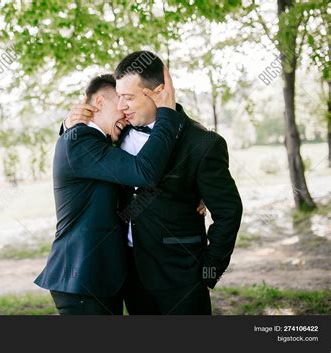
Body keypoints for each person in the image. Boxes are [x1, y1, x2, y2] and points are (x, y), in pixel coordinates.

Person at [66, 51, 243, 314]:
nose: (121, 106)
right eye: (119, 97)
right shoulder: (118, 132)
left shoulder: (203, 143)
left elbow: (229, 212)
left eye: (128, 98)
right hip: (130, 278)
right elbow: (84, 151)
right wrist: (69, 124)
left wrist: (208, 270)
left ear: (158, 92)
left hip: (181, 277)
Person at [34, 70, 185, 314]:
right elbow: (143, 171)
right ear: (100, 102)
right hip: (81, 279)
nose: (126, 111)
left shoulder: (100, 141)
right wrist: (167, 111)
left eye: (130, 101)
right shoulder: (81, 140)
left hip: (101, 278)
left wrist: (194, 191)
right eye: (120, 102)